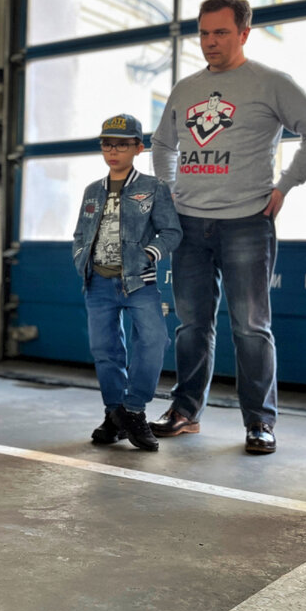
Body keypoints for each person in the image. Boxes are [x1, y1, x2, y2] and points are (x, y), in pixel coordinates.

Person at [151, 0, 306, 454]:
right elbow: (162, 143)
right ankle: (185, 411)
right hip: (190, 224)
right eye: (204, 32)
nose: (210, 42)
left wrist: (286, 185)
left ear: (244, 33)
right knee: (191, 325)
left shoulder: (271, 82)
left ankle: (259, 422)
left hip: (247, 222)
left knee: (251, 327)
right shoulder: (186, 87)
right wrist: (168, 191)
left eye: (221, 32)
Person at [74, 114, 182, 451]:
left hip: (139, 283)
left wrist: (149, 254)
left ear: (138, 147)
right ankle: (114, 414)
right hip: (98, 285)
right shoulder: (93, 190)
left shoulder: (154, 188)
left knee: (153, 341)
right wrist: (81, 257)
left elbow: (172, 232)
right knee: (105, 352)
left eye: (121, 144)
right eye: (107, 144)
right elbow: (80, 232)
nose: (113, 151)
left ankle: (134, 409)